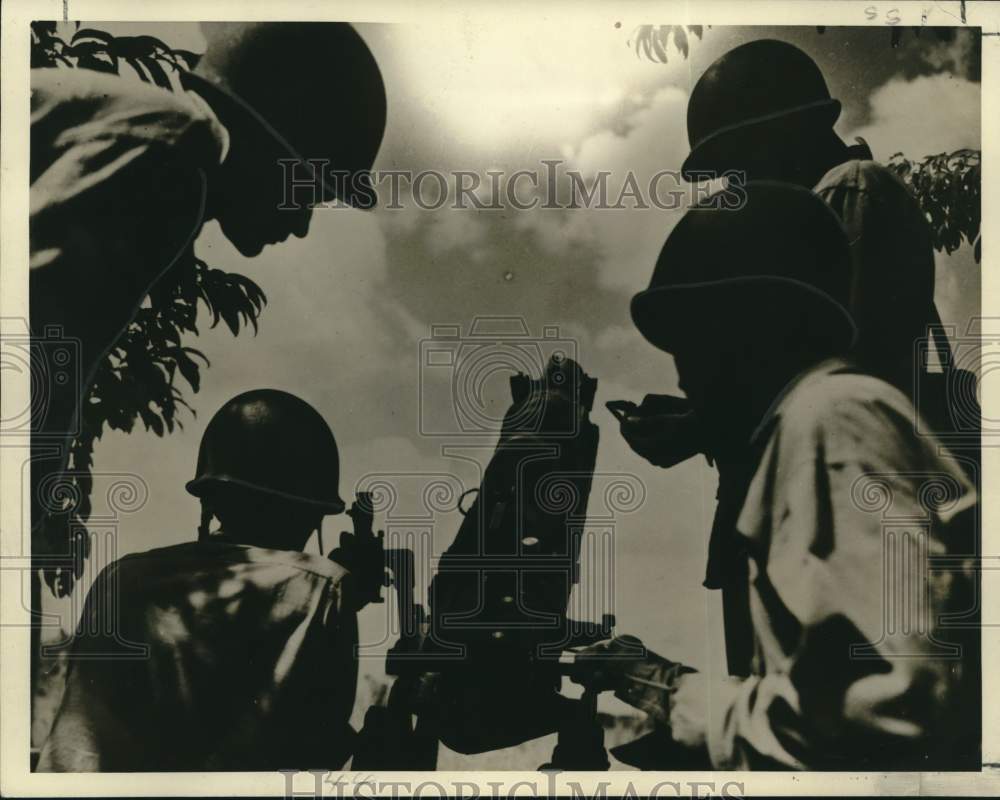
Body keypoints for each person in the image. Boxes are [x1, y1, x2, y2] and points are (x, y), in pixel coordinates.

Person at [577, 182, 978, 770]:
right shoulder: (826, 416)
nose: (682, 373)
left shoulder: (830, 420)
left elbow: (890, 709)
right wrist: (655, 682)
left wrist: (672, 692)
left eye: (689, 339)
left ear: (746, 328)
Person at [612, 38, 976, 678]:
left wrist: (699, 424)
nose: (737, 185)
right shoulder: (828, 204)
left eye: (736, 163)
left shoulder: (848, 190)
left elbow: (834, 373)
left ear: (780, 133)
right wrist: (704, 416)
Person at [29, 22, 387, 557]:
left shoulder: (154, 134)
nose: (302, 225)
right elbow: (35, 334)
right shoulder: (178, 146)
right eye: (308, 190)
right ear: (271, 144)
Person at [37, 389, 382, 771]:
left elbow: (79, 748)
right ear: (311, 513)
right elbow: (318, 748)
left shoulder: (122, 577)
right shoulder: (325, 589)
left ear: (211, 499)